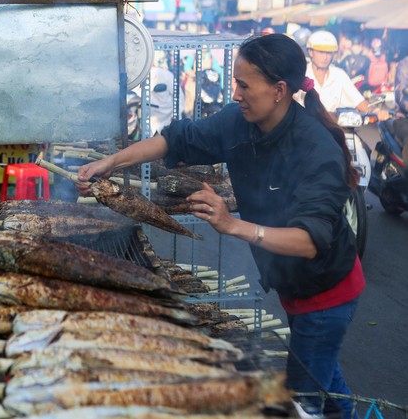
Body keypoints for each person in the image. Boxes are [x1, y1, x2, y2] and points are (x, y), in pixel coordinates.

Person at [78, 34, 364, 419]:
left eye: (244, 85)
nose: (235, 93)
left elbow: (309, 241)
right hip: (294, 287)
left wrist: (232, 225)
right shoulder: (238, 123)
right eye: (234, 82)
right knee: (323, 374)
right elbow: (175, 140)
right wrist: (111, 163)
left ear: (279, 90)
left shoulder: (316, 150)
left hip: (326, 291)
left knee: (301, 400)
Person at [297, 30, 369, 114]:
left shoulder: (339, 75)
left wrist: (376, 111)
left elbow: (358, 101)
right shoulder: (301, 74)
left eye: (328, 53)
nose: (325, 57)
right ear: (311, 52)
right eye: (321, 52)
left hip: (333, 124)